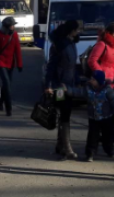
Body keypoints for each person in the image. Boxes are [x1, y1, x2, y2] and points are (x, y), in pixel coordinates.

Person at [44, 20, 81, 160]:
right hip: (59, 87)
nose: (78, 32)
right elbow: (51, 66)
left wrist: (77, 81)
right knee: (64, 114)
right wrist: (48, 85)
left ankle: (60, 145)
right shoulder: (59, 46)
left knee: (65, 114)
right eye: (77, 30)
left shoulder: (71, 43)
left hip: (69, 85)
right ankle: (67, 148)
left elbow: (72, 66)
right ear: (71, 31)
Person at [68, 70, 114, 162]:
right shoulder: (88, 89)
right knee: (92, 137)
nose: (91, 80)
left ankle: (109, 150)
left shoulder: (107, 90)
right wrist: (68, 90)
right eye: (91, 78)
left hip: (106, 117)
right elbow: (79, 92)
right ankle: (90, 153)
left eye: (94, 79)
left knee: (107, 136)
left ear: (99, 81)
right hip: (93, 118)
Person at [87, 22, 114, 145]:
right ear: (113, 34)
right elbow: (92, 60)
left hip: (110, 81)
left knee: (111, 109)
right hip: (102, 82)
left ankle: (111, 134)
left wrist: (113, 73)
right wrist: (101, 75)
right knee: (102, 110)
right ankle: (102, 137)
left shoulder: (113, 46)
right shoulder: (102, 44)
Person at [0, 17, 23, 116]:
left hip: (10, 64)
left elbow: (17, 50)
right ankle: (9, 108)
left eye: (14, 25)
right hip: (0, 63)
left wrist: (19, 64)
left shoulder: (15, 35)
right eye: (12, 25)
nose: (13, 27)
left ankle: (0, 100)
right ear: (6, 27)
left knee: (6, 85)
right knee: (7, 84)